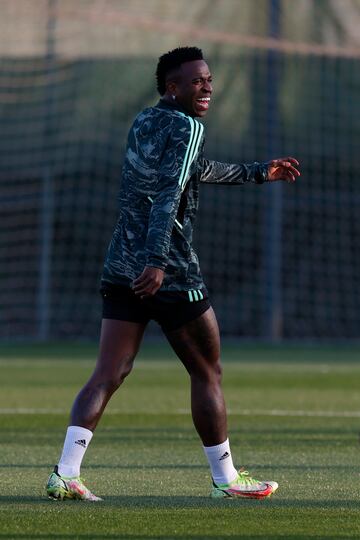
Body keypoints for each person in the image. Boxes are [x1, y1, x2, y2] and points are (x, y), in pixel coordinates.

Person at [46, 46, 300, 501]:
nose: (206, 87)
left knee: (110, 371)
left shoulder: (146, 120)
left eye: (209, 80)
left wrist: (261, 172)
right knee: (207, 370)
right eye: (196, 81)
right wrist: (159, 261)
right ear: (172, 87)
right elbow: (167, 194)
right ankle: (226, 479)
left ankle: (65, 473)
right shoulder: (188, 126)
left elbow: (191, 171)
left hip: (121, 263)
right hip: (167, 269)